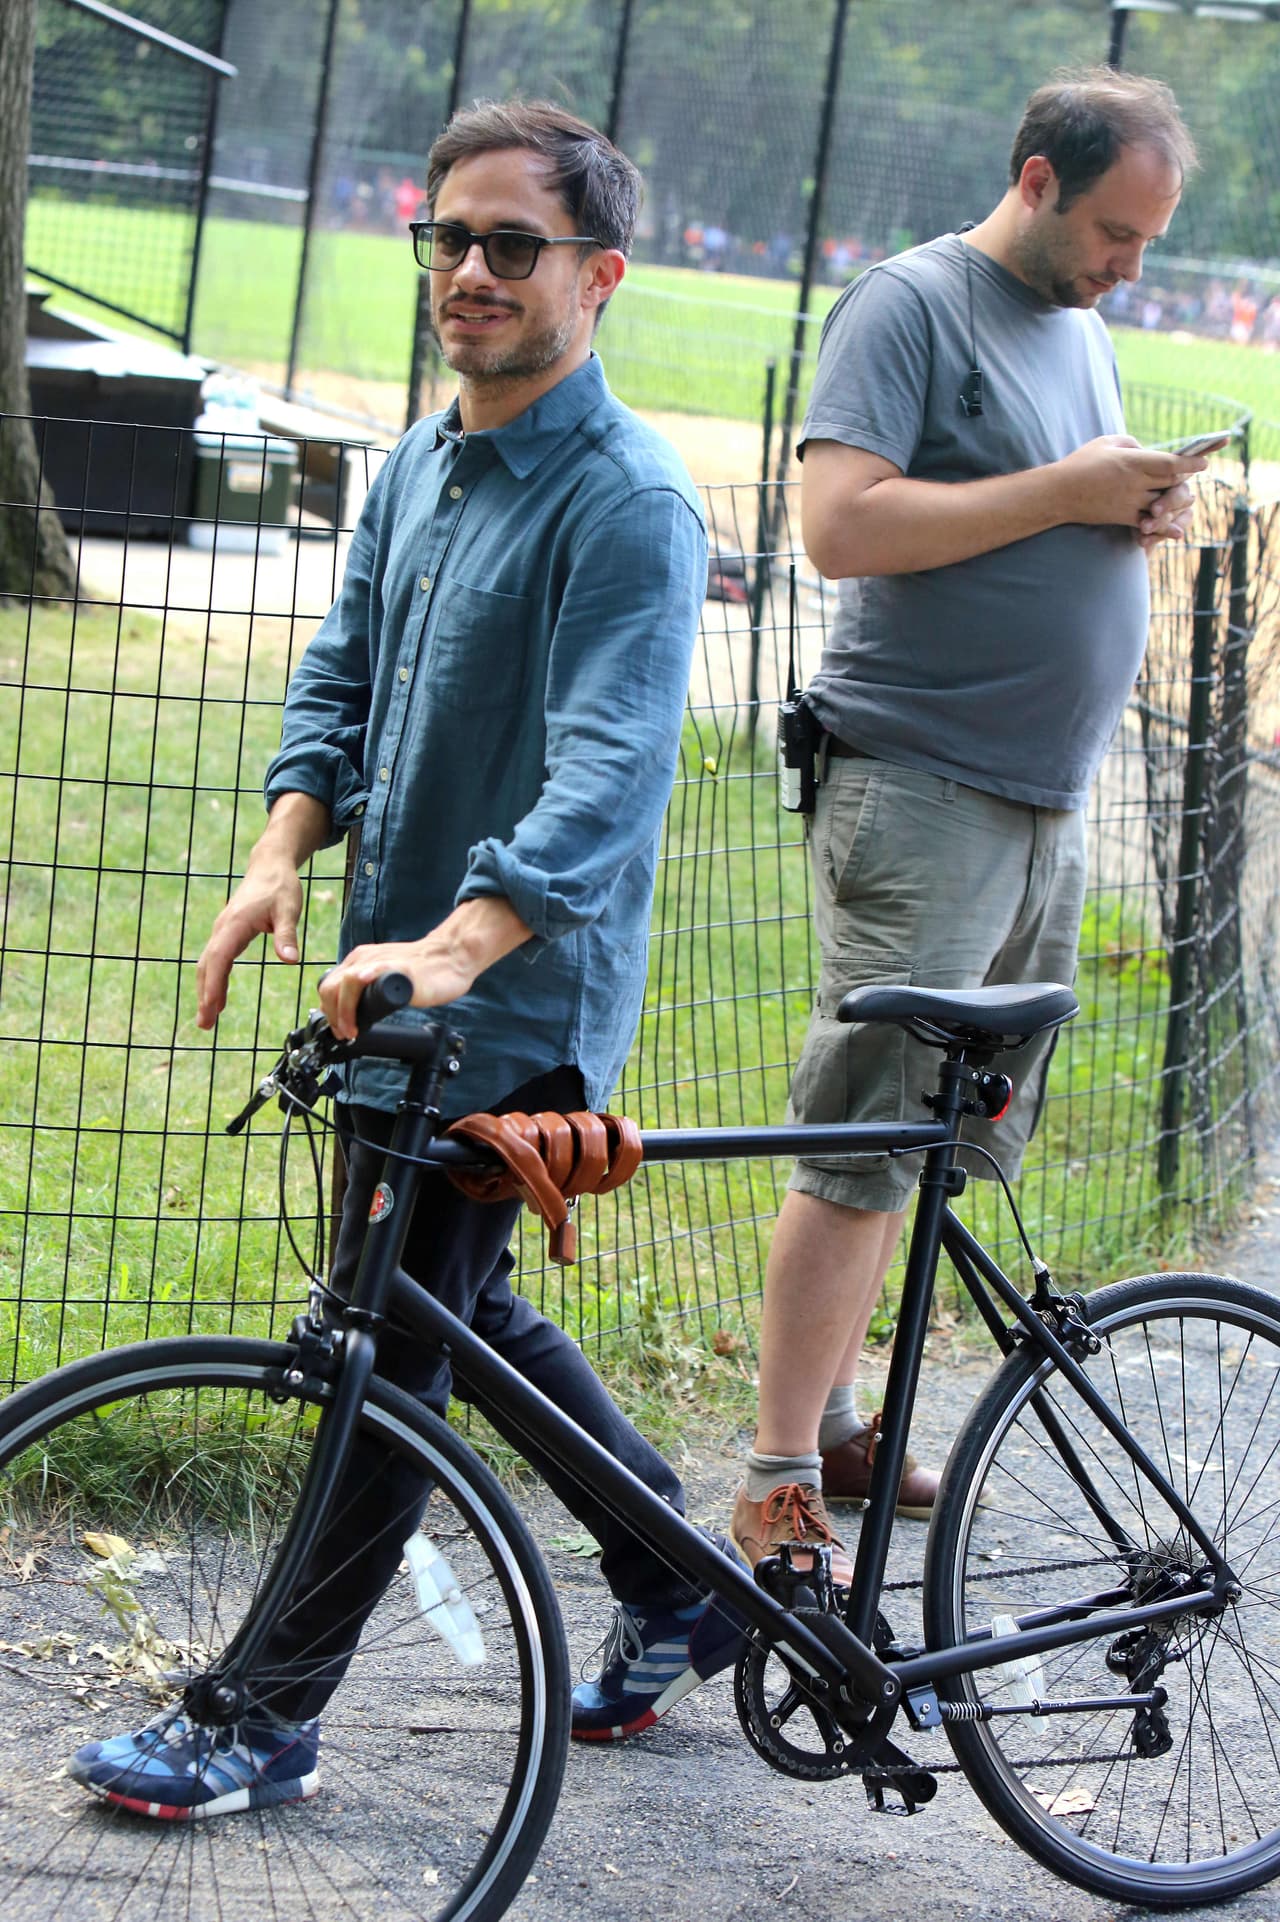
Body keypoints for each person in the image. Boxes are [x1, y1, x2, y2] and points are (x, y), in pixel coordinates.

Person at [69, 100, 742, 1820]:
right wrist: (278, 856)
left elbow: (605, 781)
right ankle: (679, 1573)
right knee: (455, 1300)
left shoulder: (633, 507)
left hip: (499, 1002)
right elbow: (339, 677)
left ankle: (260, 1712)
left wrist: (449, 947)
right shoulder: (425, 458)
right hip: (387, 983)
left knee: (386, 1349)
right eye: (447, 237)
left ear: (600, 274)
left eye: (511, 245)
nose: (468, 272)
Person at [731, 68, 1205, 1581]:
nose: (1131, 265)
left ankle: (848, 1417)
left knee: (940, 1148)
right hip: (920, 788)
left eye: (1148, 242)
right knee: (864, 1128)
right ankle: (780, 1475)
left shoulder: (1085, 326)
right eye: (1118, 232)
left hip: (1040, 803)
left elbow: (1044, 505)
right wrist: (1066, 488)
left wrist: (1126, 506)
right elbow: (840, 524)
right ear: (1038, 177)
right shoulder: (909, 304)